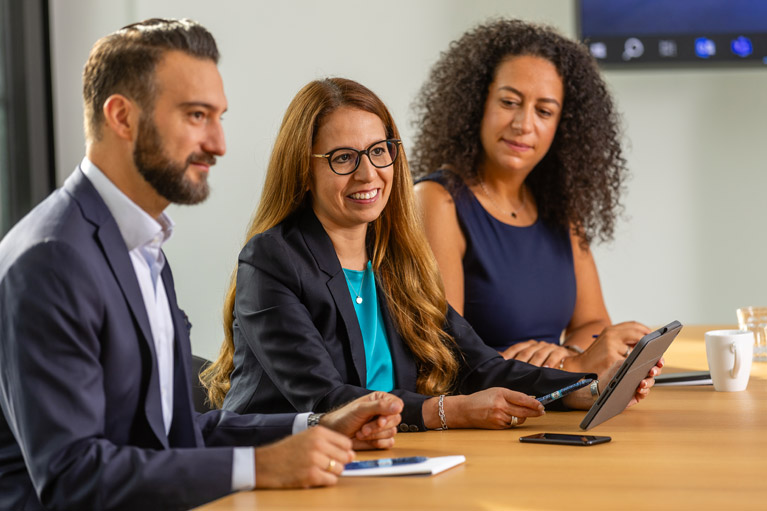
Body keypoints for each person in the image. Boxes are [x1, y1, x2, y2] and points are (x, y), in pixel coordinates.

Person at [0, 19, 403, 511]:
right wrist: (259, 467)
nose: (218, 144)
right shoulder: (52, 258)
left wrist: (315, 425)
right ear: (122, 117)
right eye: (196, 116)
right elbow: (72, 477)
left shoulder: (142, 246)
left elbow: (179, 434)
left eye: (219, 118)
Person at [201, 77, 659, 434]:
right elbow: (323, 401)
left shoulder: (394, 257)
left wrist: (585, 389)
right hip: (282, 465)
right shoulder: (272, 260)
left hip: (382, 455)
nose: (368, 173)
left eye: (380, 152)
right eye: (343, 157)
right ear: (304, 170)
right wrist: (450, 410)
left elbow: (480, 365)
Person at [411, 19, 651, 375]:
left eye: (544, 111)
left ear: (563, 125)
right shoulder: (437, 200)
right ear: (478, 103)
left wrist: (565, 354)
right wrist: (573, 363)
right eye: (509, 102)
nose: (524, 124)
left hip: (555, 400)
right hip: (486, 414)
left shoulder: (560, 209)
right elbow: (444, 351)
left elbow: (594, 323)